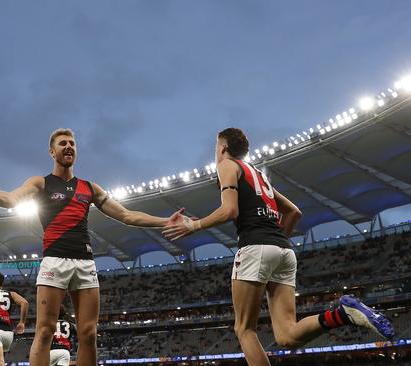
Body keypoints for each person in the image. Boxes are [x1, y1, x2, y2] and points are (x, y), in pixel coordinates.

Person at [162, 127, 395, 366]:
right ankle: (343, 314)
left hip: (255, 246)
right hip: (284, 251)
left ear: (222, 147)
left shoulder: (227, 166)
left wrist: (194, 225)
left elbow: (230, 210)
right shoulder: (258, 176)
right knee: (287, 336)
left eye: (216, 147)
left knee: (244, 330)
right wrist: (273, 242)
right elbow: (294, 212)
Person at [0, 128, 183, 365]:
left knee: (89, 334)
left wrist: (165, 220)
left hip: (85, 262)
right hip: (55, 261)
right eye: (63, 143)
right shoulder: (40, 183)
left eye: (72, 143)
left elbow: (126, 215)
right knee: (44, 331)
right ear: (52, 152)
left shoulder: (90, 188)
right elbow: (11, 199)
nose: (69, 146)